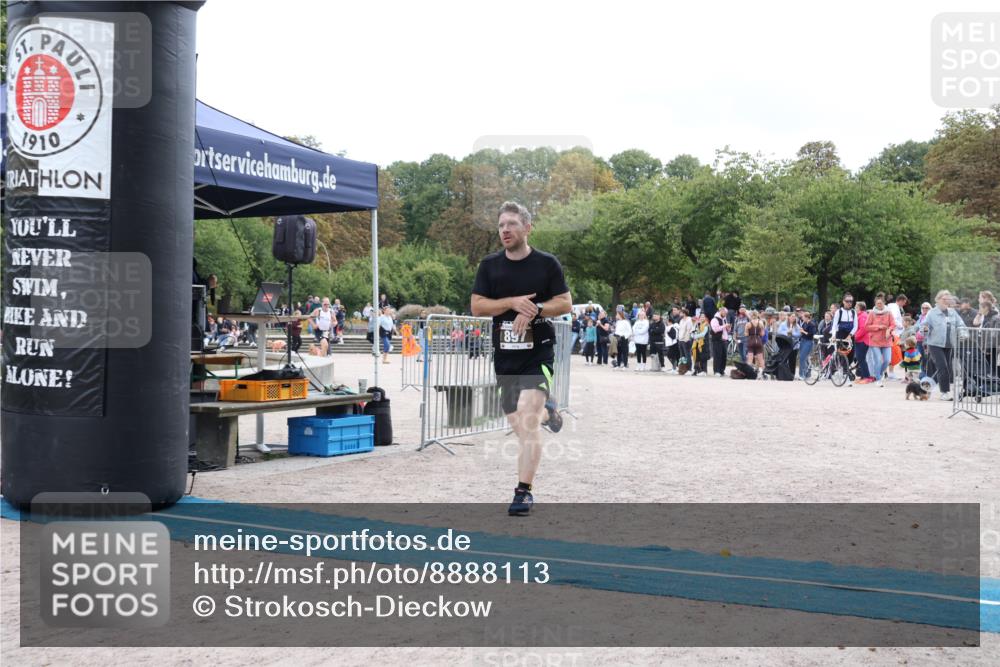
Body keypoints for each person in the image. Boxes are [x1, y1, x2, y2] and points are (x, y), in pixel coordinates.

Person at [471, 201, 571, 516]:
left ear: (527, 228)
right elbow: (477, 306)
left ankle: (523, 492)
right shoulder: (489, 266)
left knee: (527, 418)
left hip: (538, 351)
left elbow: (565, 303)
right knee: (523, 425)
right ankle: (549, 413)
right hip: (505, 357)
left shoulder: (546, 264)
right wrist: (512, 302)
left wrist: (537, 309)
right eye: (501, 225)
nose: (505, 230)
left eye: (512, 224)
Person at [924, 290, 965, 400]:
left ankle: (927, 386)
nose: (946, 301)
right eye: (944, 299)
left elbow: (961, 324)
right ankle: (945, 392)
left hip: (949, 344)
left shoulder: (952, 312)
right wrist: (925, 329)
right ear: (938, 300)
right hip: (935, 344)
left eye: (948, 299)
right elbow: (924, 326)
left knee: (946, 368)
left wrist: (963, 334)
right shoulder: (932, 313)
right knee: (943, 367)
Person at [865, 296, 895, 387]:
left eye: (880, 303)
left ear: (884, 303)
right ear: (875, 304)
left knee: (887, 360)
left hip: (886, 340)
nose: (879, 305)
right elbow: (866, 327)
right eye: (877, 303)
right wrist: (878, 327)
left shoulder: (889, 313)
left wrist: (889, 329)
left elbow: (893, 324)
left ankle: (879, 373)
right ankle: (878, 379)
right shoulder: (872, 313)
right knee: (877, 359)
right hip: (874, 340)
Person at [854, 302, 873, 383]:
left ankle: (867, 377)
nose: (855, 308)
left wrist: (854, 337)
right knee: (860, 358)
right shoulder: (860, 315)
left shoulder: (863, 316)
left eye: (856, 306)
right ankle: (863, 376)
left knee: (861, 358)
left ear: (860, 308)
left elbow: (863, 329)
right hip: (860, 340)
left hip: (862, 340)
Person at [709, 307, 730, 376]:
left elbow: (726, 330)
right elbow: (715, 329)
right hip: (717, 340)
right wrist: (724, 326)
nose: (725, 314)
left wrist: (728, 328)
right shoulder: (714, 319)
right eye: (725, 313)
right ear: (721, 311)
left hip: (724, 340)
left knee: (724, 356)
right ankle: (716, 371)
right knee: (717, 356)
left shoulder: (724, 319)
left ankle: (722, 370)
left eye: (726, 313)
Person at [798, 311, 817, 380]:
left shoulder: (812, 324)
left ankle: (802, 374)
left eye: (803, 317)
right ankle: (806, 374)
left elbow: (811, 334)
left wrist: (803, 331)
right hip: (803, 341)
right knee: (803, 358)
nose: (802, 318)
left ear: (806, 317)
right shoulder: (804, 323)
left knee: (803, 357)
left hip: (808, 342)